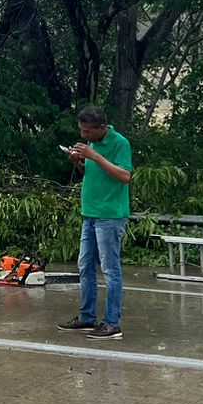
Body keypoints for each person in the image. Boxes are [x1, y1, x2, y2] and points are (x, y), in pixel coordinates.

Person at [58, 105, 133, 339]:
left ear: (101, 128)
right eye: (81, 131)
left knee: (110, 269)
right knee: (85, 266)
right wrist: (77, 161)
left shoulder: (120, 143)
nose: (84, 136)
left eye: (88, 131)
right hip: (89, 212)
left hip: (109, 215)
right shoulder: (91, 144)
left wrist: (95, 156)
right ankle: (87, 317)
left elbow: (125, 176)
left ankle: (112, 323)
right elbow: (91, 173)